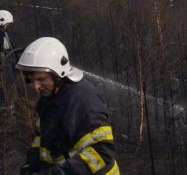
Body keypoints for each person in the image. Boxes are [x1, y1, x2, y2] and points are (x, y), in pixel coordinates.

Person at [15, 37, 120, 175]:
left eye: (41, 79)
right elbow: (42, 136)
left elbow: (101, 153)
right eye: (31, 80)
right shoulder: (50, 97)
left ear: (58, 74)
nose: (36, 87)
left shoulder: (82, 101)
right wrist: (31, 164)